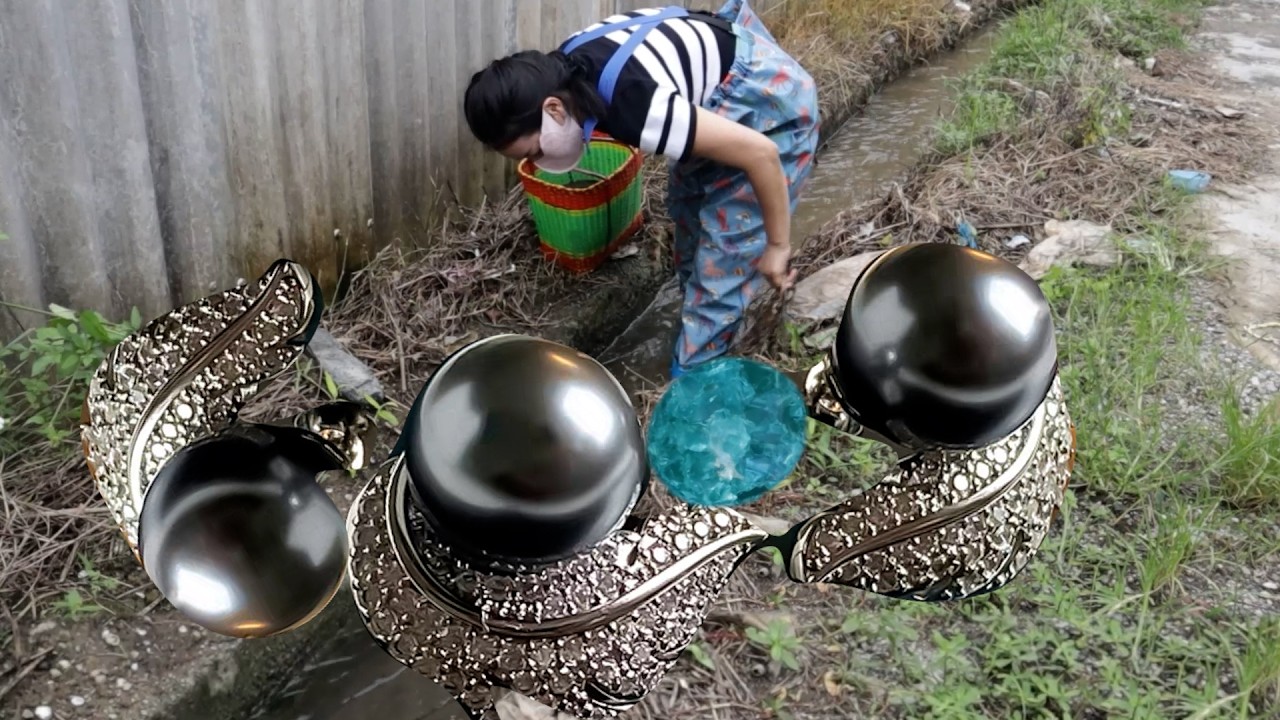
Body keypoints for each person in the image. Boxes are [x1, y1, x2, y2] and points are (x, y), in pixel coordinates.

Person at [463, 0, 819, 379]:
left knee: (722, 272)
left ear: (553, 109)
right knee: (686, 215)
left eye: (533, 152)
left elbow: (762, 155)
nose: (534, 165)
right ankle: (704, 321)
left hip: (769, 112)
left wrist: (777, 246)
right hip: (720, 87)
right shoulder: (564, 67)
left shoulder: (632, 104)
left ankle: (692, 381)